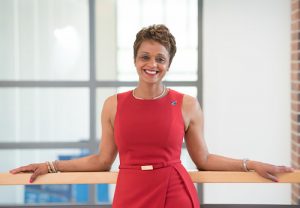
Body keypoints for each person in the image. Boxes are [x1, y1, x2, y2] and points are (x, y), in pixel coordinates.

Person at [10, 24, 293, 208]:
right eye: (145, 57)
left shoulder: (187, 104)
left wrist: (251, 163)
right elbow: (101, 160)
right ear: (135, 60)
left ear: (168, 64)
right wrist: (50, 165)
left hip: (175, 193)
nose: (152, 64)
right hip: (129, 193)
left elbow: (204, 160)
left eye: (160, 58)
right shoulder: (113, 104)